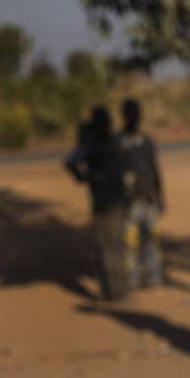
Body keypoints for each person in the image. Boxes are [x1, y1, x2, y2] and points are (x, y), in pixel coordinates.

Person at [63, 107, 129, 302]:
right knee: (117, 247)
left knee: (104, 248)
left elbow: (70, 161)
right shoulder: (116, 142)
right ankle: (119, 292)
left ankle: (110, 293)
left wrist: (83, 177)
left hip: (102, 202)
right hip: (118, 200)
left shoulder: (92, 145)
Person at [117, 98, 165, 289]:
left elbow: (155, 170)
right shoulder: (118, 142)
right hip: (128, 203)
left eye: (135, 113)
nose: (133, 117)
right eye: (129, 113)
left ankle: (153, 277)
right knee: (130, 243)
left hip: (148, 199)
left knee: (152, 240)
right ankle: (132, 279)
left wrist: (160, 197)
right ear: (123, 116)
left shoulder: (147, 142)